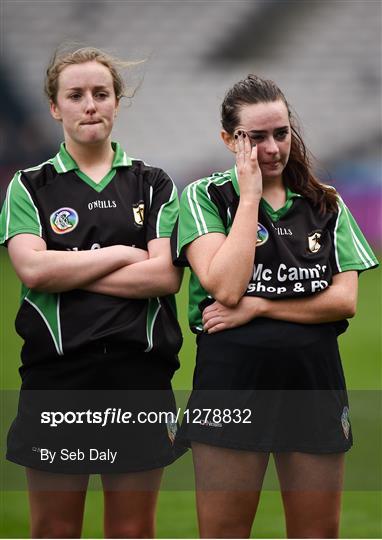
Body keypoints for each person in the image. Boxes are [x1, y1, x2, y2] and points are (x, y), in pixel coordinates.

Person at [172, 74, 378, 539]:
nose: (272, 148)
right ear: (229, 140)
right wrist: (249, 198)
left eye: (281, 133)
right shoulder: (205, 197)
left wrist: (259, 307)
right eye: (255, 137)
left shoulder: (326, 204)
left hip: (313, 382)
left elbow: (343, 301)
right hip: (232, 384)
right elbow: (225, 287)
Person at [0, 46, 184, 538]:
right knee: (54, 531)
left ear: (116, 103)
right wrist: (126, 253)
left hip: (139, 377)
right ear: (55, 108)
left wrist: (70, 268)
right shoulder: (28, 187)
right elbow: (34, 272)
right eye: (75, 95)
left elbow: (164, 277)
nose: (90, 105)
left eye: (101, 94)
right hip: (58, 379)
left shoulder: (153, 183)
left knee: (132, 532)